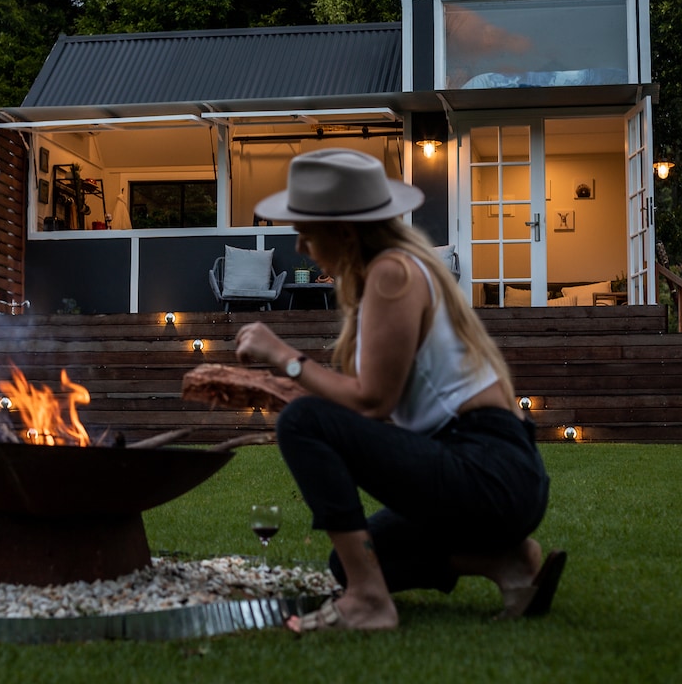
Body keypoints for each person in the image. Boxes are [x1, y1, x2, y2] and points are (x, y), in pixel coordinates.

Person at [233, 148, 565, 632]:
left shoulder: (394, 273)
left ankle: (369, 603)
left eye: (305, 234)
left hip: (488, 470)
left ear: (344, 232)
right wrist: (286, 385)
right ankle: (508, 562)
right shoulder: (392, 273)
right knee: (348, 563)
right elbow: (378, 417)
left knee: (301, 422)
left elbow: (372, 402)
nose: (301, 248)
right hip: (491, 480)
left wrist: (283, 358)